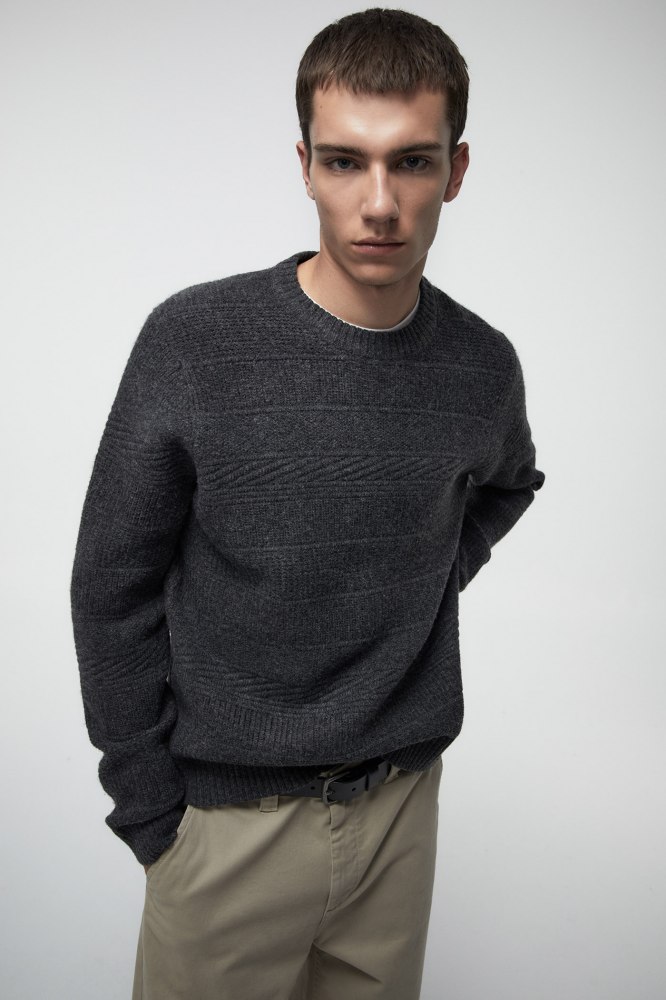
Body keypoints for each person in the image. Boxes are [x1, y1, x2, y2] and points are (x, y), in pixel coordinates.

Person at [70, 8, 545, 999]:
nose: (380, 203)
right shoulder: (196, 342)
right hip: (225, 831)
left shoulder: (481, 366)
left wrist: (424, 570)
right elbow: (111, 586)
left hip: (399, 815)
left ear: (456, 170)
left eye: (412, 163)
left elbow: (510, 484)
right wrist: (151, 812)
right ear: (305, 166)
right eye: (344, 161)